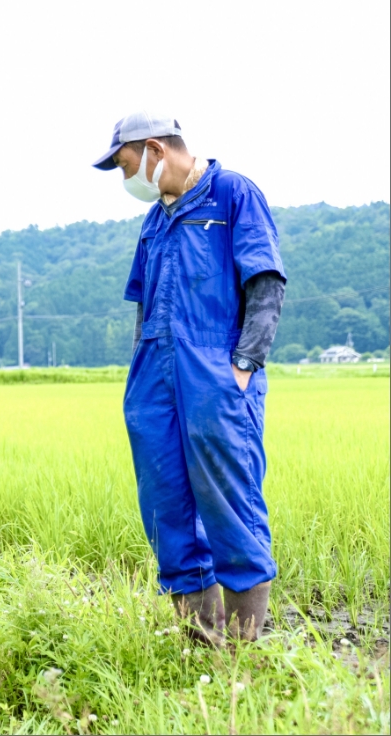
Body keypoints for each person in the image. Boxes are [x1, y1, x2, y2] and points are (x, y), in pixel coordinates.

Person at [93, 113, 285, 645]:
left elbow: (265, 283)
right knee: (164, 503)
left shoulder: (232, 196)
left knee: (228, 499)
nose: (125, 178)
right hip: (155, 377)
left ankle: (243, 650)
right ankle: (201, 640)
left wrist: (245, 365)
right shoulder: (155, 219)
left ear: (155, 149)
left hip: (215, 373)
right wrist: (138, 374)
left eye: (127, 165)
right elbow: (143, 305)